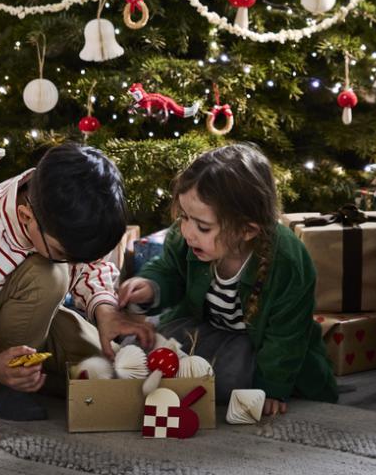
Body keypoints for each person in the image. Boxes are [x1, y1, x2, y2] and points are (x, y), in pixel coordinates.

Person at [0, 141, 154, 420]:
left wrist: (106, 311)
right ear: (25, 218)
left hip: (24, 309)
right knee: (48, 274)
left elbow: (90, 265)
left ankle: (11, 372)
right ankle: (1, 384)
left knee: (106, 366)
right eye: (63, 254)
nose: (74, 263)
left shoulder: (58, 202)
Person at [117, 142, 337, 414]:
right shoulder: (186, 237)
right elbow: (168, 270)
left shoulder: (287, 261)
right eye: (184, 217)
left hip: (257, 346)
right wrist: (150, 286)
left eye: (203, 226)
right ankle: (180, 375)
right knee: (144, 343)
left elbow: (286, 337)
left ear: (247, 230)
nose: (188, 231)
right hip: (205, 328)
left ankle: (193, 380)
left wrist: (271, 389)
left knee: (232, 372)